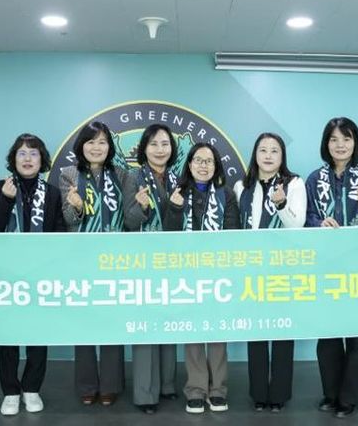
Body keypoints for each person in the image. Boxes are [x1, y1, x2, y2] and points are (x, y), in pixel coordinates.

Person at [305, 117, 358, 418]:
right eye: (334, 139)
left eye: (346, 139)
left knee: (356, 333)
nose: (340, 145)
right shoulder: (315, 179)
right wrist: (318, 223)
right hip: (324, 264)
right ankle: (331, 393)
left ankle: (350, 397)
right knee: (327, 333)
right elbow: (305, 216)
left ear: (355, 143)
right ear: (326, 144)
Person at [0, 133, 65, 415]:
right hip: (5, 274)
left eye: (33, 153)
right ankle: (10, 391)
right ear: (13, 159)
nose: (28, 158)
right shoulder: (0, 188)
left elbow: (59, 231)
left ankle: (32, 388)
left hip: (40, 273)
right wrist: (6, 200)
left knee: (37, 332)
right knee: (7, 334)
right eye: (22, 153)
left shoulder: (52, 193)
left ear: (42, 160)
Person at [163, 142, 240, 414]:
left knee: (217, 332)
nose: (203, 165)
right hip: (187, 273)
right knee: (193, 332)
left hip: (217, 272)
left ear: (216, 166)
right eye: (198, 160)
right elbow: (167, 236)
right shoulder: (178, 192)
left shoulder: (226, 194)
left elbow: (233, 233)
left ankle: (218, 390)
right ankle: (196, 390)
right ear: (190, 164)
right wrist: (174, 209)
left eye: (209, 161)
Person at [233, 132, 306, 412]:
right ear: (255, 154)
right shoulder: (242, 186)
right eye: (263, 150)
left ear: (282, 156)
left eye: (274, 150)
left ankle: (279, 395)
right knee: (257, 332)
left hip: (282, 269)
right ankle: (258, 394)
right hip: (251, 268)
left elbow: (297, 225)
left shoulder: (294, 183)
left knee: (283, 331)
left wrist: (281, 204)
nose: (268, 155)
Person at [59, 121, 129, 407]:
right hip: (82, 260)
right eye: (91, 142)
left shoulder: (122, 174)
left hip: (115, 260)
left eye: (102, 142)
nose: (96, 147)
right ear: (81, 146)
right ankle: (87, 385)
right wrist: (76, 207)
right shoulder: (68, 174)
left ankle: (111, 385)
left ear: (109, 147)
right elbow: (67, 220)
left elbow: (130, 219)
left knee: (112, 323)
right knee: (84, 325)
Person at [124, 124, 179, 414]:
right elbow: (128, 222)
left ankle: (167, 384)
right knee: (146, 326)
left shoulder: (178, 178)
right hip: (143, 261)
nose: (160, 149)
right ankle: (146, 393)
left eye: (165, 144)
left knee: (168, 321)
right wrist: (142, 207)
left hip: (173, 260)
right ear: (144, 148)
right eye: (154, 144)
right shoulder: (133, 178)